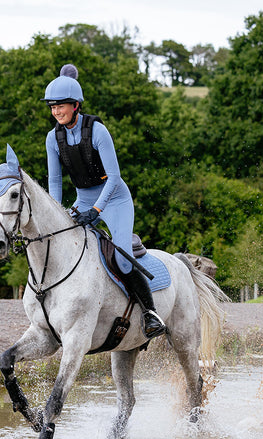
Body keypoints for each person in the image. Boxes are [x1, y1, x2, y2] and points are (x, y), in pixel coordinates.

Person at [42, 64, 166, 339]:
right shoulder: (53, 138)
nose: (55, 111)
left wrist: (96, 210)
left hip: (114, 199)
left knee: (122, 259)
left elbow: (114, 177)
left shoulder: (98, 131)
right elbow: (55, 183)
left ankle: (150, 313)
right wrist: (56, 215)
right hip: (84, 198)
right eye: (52, 107)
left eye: (60, 106)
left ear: (75, 105)